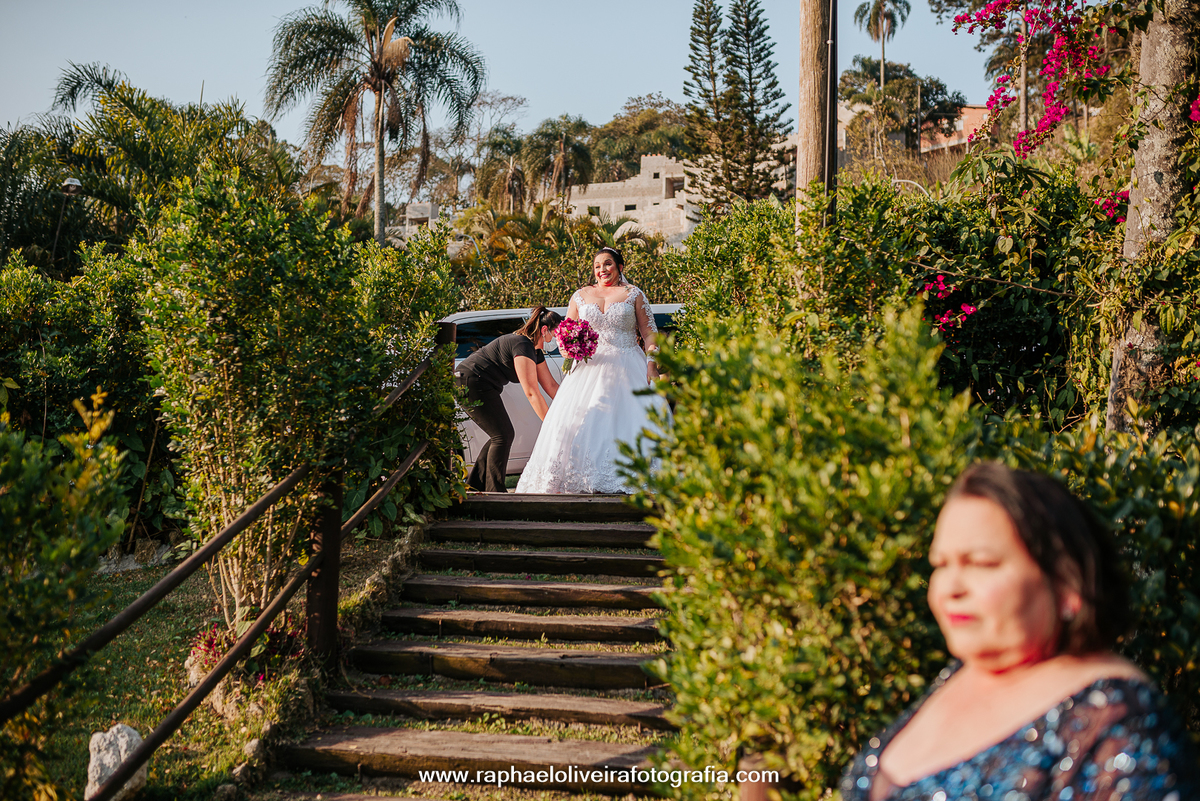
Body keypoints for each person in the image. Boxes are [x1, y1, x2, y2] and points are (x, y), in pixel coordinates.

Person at [840, 462, 1196, 801]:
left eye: (980, 563)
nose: (950, 588)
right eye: (940, 564)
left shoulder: (1116, 722)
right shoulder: (959, 676)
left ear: (1065, 583)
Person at [516, 246, 665, 494]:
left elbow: (649, 332)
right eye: (597, 266)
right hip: (587, 368)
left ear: (619, 267)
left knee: (627, 421)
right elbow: (565, 334)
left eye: (607, 264)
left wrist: (651, 363)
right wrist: (569, 349)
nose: (601, 270)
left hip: (627, 365)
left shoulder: (634, 294)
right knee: (580, 422)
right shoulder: (580, 295)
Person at [455, 306, 562, 493]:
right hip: (470, 381)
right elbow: (531, 392)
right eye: (556, 334)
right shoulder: (522, 345)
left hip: (484, 385)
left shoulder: (535, 352)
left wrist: (570, 405)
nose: (557, 340)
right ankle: (495, 491)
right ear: (544, 330)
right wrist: (550, 423)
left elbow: (551, 386)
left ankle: (476, 486)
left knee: (500, 435)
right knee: (502, 435)